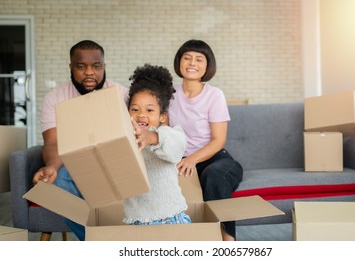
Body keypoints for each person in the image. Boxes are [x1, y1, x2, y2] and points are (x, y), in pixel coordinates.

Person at [32, 40, 129, 240]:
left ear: (104, 66)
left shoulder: (122, 94)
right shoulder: (55, 98)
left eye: (96, 66)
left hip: (113, 160)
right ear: (71, 67)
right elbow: (52, 143)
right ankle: (100, 243)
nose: (89, 73)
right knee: (57, 178)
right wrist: (51, 166)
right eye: (81, 66)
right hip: (74, 163)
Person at [168, 39, 243, 241]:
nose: (192, 63)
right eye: (187, 58)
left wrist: (192, 159)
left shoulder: (214, 95)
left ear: (207, 66)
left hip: (215, 159)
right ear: (179, 62)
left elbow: (218, 141)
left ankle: (227, 241)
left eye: (199, 59)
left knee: (213, 174)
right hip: (181, 161)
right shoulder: (169, 94)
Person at [123, 63, 190, 226]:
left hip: (170, 219)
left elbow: (176, 147)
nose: (141, 115)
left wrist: (151, 137)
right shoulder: (126, 141)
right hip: (136, 220)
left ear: (162, 116)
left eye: (149, 110)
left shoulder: (169, 134)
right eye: (135, 109)